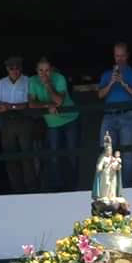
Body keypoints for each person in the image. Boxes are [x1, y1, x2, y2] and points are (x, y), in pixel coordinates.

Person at [28, 57, 80, 191]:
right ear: (36, 71)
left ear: (51, 70)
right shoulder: (32, 81)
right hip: (52, 122)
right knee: (54, 156)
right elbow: (32, 104)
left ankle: (73, 187)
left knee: (72, 153)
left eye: (47, 70)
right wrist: (47, 105)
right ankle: (57, 189)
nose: (44, 74)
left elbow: (59, 102)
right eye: (41, 70)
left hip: (70, 119)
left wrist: (48, 85)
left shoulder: (59, 78)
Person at [97, 42, 132, 185]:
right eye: (117, 56)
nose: (120, 59)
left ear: (127, 56)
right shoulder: (106, 75)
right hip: (109, 116)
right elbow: (100, 95)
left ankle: (128, 186)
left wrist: (124, 83)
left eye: (122, 55)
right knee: (106, 153)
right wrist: (111, 82)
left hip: (128, 116)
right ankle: (107, 187)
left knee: (127, 154)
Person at [0, 57, 34, 192]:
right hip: (7, 122)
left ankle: (31, 187)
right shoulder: (2, 83)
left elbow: (30, 103)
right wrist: (0, 108)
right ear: (7, 69)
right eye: (11, 68)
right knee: (10, 157)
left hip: (24, 120)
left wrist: (11, 106)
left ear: (21, 68)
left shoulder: (28, 81)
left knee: (27, 155)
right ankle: (16, 188)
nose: (14, 70)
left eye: (17, 68)